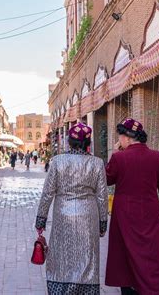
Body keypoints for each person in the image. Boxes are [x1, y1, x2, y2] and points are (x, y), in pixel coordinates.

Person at [105, 118, 159, 295]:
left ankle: (131, 289)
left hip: (124, 215)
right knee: (153, 252)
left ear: (127, 138)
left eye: (120, 136)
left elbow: (108, 178)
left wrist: (114, 152)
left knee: (127, 254)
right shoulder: (156, 156)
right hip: (149, 213)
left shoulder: (119, 157)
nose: (119, 140)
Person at [35, 123, 108, 294]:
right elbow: (102, 196)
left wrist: (41, 220)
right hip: (88, 216)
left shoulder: (57, 162)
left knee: (61, 255)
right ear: (88, 142)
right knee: (87, 256)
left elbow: (47, 193)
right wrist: (103, 223)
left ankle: (61, 289)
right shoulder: (97, 163)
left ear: (69, 141)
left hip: (63, 215)